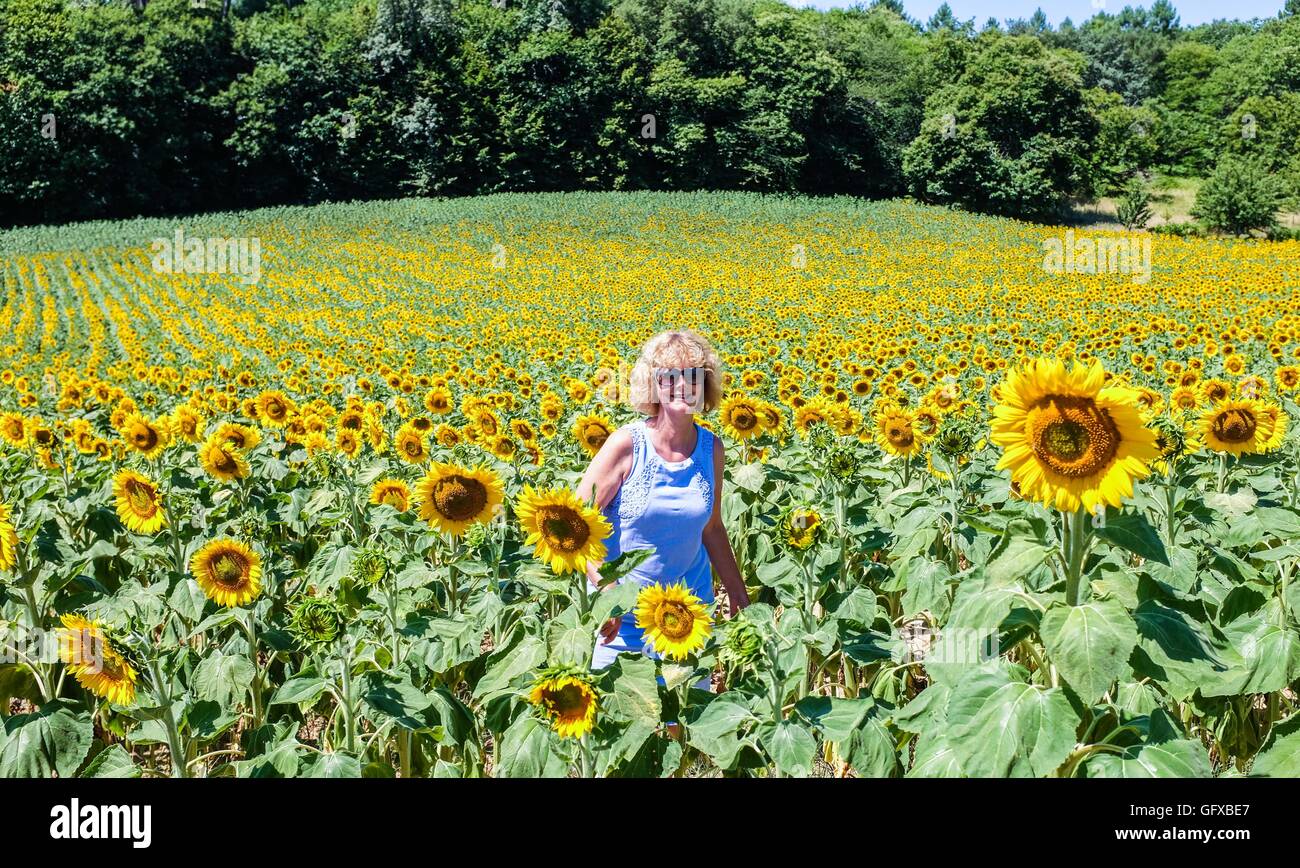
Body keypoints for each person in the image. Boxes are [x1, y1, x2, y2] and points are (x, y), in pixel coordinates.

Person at [575, 329, 750, 701]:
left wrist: (737, 592)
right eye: (670, 376)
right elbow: (575, 527)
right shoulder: (626, 445)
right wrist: (607, 595)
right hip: (624, 613)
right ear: (653, 384)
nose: (682, 385)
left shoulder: (710, 448)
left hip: (687, 614)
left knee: (682, 717)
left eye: (692, 375)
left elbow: (713, 528)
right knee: (622, 722)